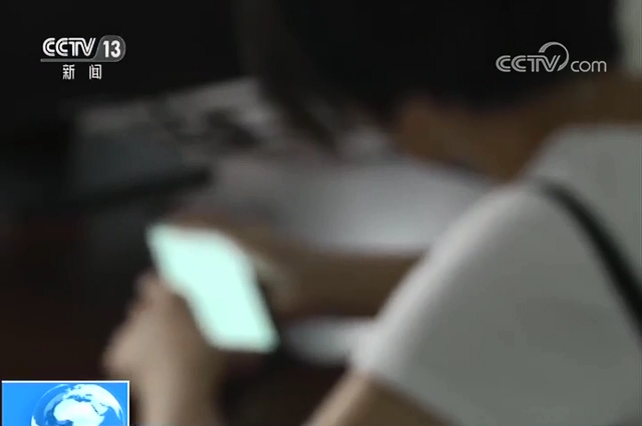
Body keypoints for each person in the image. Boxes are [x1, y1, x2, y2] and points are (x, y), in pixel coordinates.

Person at [104, 0, 642, 425]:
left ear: (416, 118)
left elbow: (539, 274)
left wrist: (173, 380)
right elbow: (577, 279)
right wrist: (328, 278)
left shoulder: (537, 241)